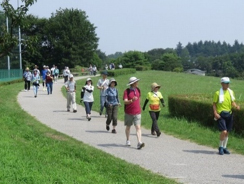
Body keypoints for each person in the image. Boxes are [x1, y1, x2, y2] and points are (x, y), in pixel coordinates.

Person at [213, 77, 240, 155]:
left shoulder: (231, 92)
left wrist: (236, 106)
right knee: (224, 131)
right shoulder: (217, 93)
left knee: (227, 132)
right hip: (221, 114)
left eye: (228, 83)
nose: (228, 85)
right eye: (226, 83)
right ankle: (220, 147)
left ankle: (224, 147)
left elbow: (232, 102)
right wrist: (215, 113)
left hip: (229, 114)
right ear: (222, 84)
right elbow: (214, 104)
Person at [123, 77, 145, 149]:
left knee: (138, 127)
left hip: (137, 112)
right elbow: (125, 102)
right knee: (128, 127)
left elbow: (139, 98)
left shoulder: (138, 90)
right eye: (136, 82)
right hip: (129, 112)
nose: (137, 83)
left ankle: (139, 142)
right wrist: (131, 101)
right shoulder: (127, 91)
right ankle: (128, 140)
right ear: (132, 84)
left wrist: (139, 106)